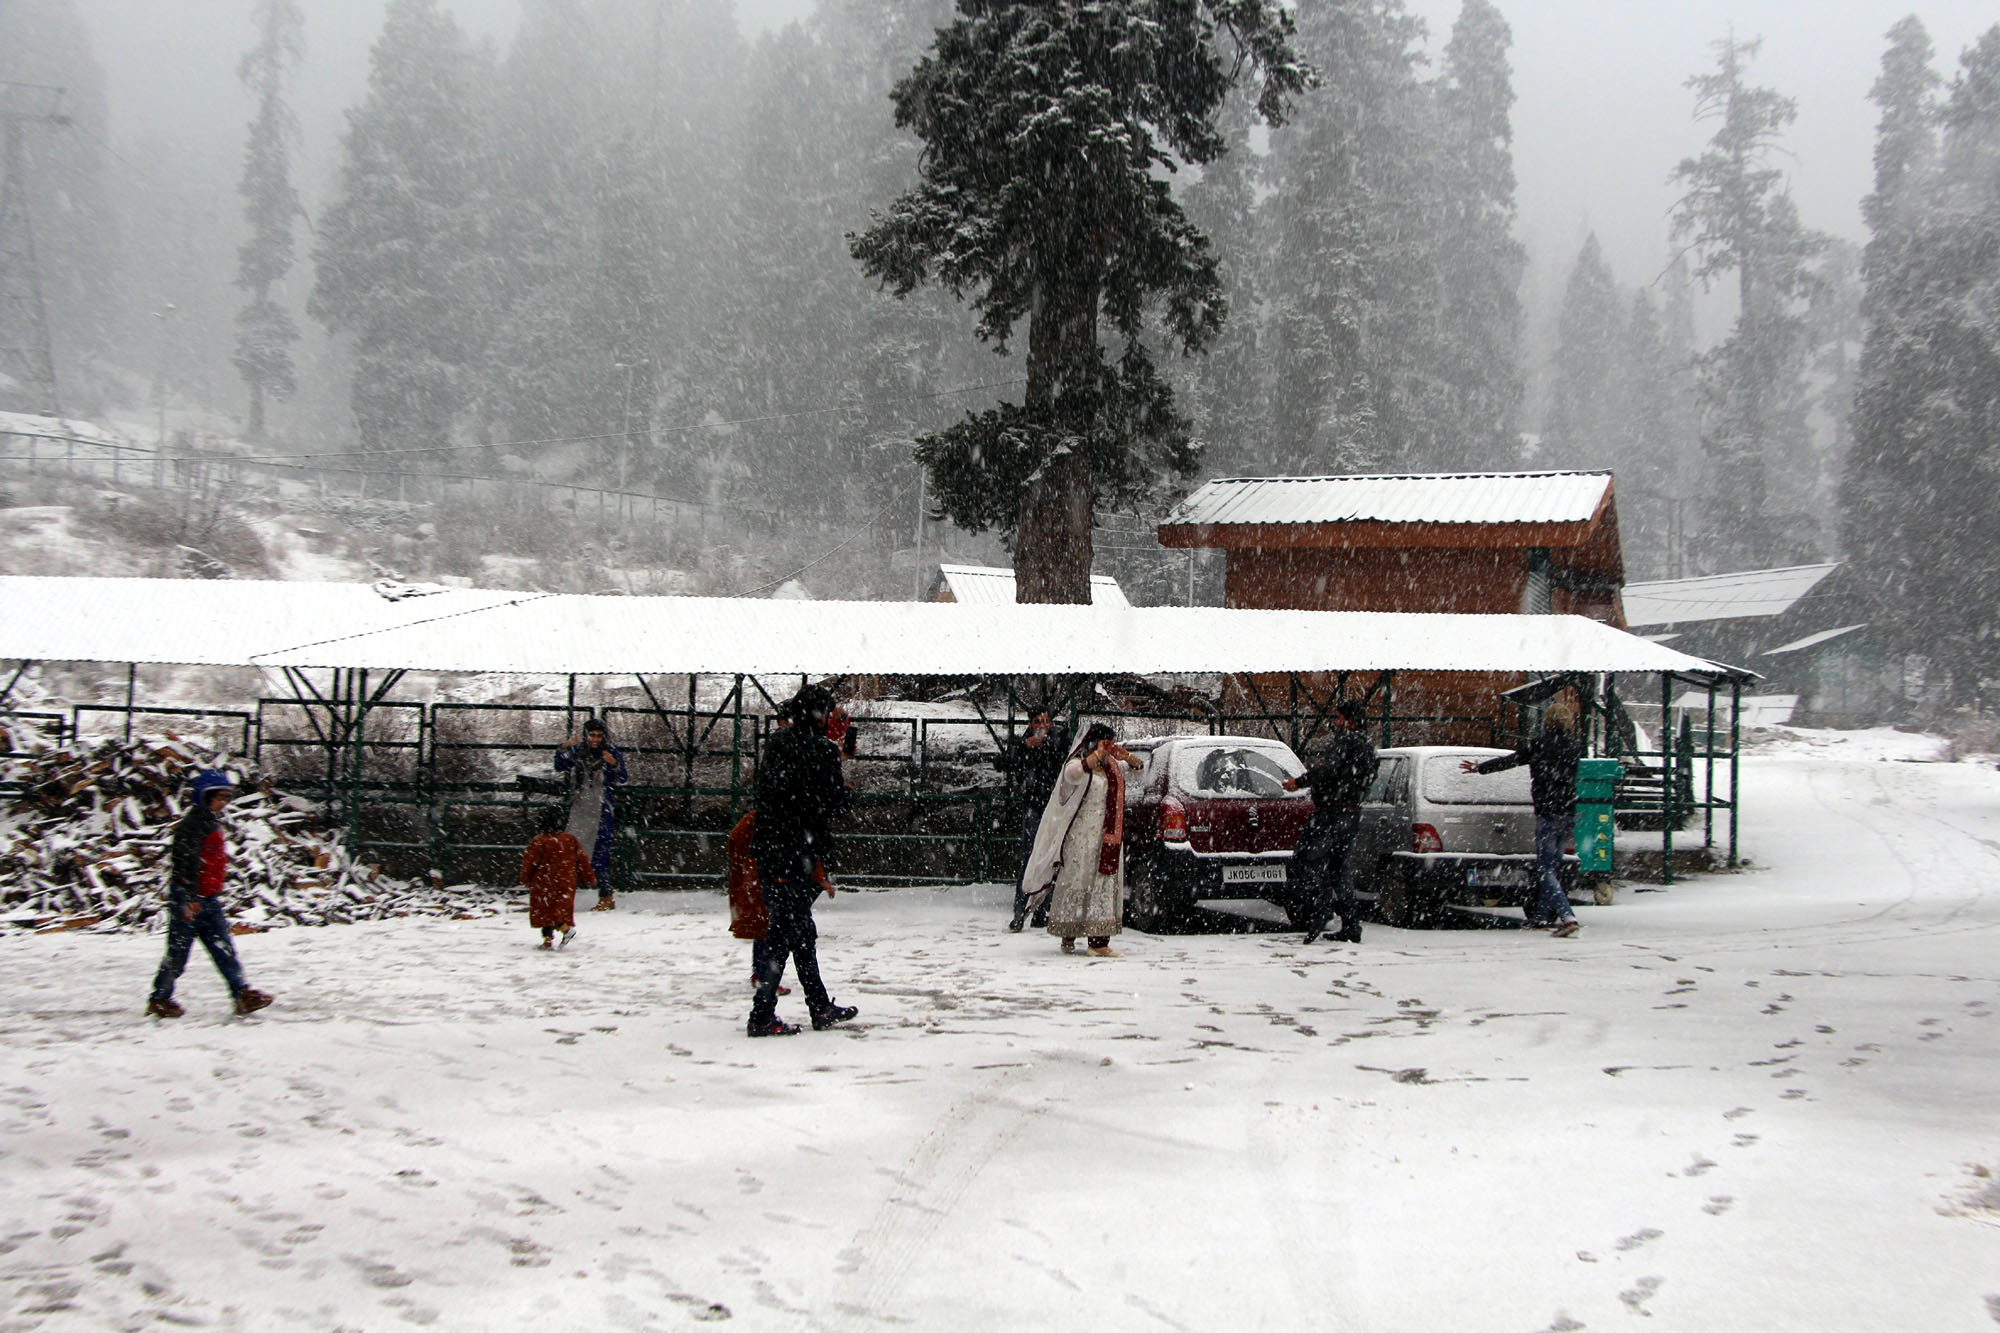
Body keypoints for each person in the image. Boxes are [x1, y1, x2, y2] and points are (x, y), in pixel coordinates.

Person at [747, 684, 857, 1036]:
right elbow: (829, 802)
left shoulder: (778, 743)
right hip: (797, 854)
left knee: (799, 931)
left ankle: (819, 1006)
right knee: (785, 935)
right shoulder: (822, 750)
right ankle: (762, 1015)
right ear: (820, 714)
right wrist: (847, 794)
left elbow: (775, 792)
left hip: (773, 850)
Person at [145, 769, 273, 1018]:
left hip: (207, 898)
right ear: (204, 796)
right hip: (189, 898)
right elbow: (186, 863)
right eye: (219, 797)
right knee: (178, 953)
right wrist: (190, 897)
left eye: (227, 798)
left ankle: (241, 993)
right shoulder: (191, 826)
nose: (223, 803)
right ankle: (160, 998)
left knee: (224, 949)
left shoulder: (209, 822)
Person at [1463, 701, 1585, 937]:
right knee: (1552, 868)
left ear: (1547, 722)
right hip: (1568, 812)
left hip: (1547, 812)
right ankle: (1540, 917)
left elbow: (1511, 761)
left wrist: (1480, 768)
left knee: (1544, 869)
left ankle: (1567, 917)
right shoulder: (1575, 747)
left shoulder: (1539, 745)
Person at [1020, 723, 1141, 957]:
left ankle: (1098, 942)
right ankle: (1070, 931)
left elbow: (1138, 769)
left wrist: (1124, 755)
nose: (1109, 748)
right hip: (1081, 835)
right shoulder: (1078, 764)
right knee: (1078, 880)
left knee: (1101, 884)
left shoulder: (1112, 768)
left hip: (1106, 836)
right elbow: (1072, 776)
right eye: (1106, 742)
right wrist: (1095, 755)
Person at [1284, 699, 1378, 945]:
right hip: (1352, 813)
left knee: (1301, 861)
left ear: (1349, 721)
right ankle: (1351, 925)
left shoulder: (1345, 742)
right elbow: (1365, 777)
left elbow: (1329, 771)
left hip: (1331, 812)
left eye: (1338, 718)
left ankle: (1319, 908)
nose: (1335, 723)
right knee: (1339, 870)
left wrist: (1300, 781)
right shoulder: (1368, 746)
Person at [993, 710, 1067, 933]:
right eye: (1038, 721)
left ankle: (1042, 910)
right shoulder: (1023, 743)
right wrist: (1026, 747)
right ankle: (1020, 909)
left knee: (1052, 859)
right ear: (1031, 724)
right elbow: (1003, 763)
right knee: (1030, 858)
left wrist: (1047, 747)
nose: (1043, 725)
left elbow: (1064, 762)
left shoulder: (1060, 741)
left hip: (1053, 807)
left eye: (1046, 721)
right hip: (1033, 806)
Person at [555, 717, 628, 911]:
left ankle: (606, 895)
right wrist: (562, 748)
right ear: (586, 735)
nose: (595, 739)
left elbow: (622, 777)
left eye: (598, 735)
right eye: (591, 735)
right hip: (580, 807)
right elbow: (560, 766)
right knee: (570, 852)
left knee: (599, 855)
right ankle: (561, 895)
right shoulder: (578, 752)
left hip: (601, 809)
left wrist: (613, 764)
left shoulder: (610, 752)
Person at [521, 804, 592, 949]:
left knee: (546, 910)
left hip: (545, 881)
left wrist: (526, 877)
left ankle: (562, 931)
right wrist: (588, 876)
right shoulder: (569, 840)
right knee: (559, 909)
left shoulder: (540, 841)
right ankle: (550, 938)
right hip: (566, 880)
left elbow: (530, 861)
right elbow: (582, 860)